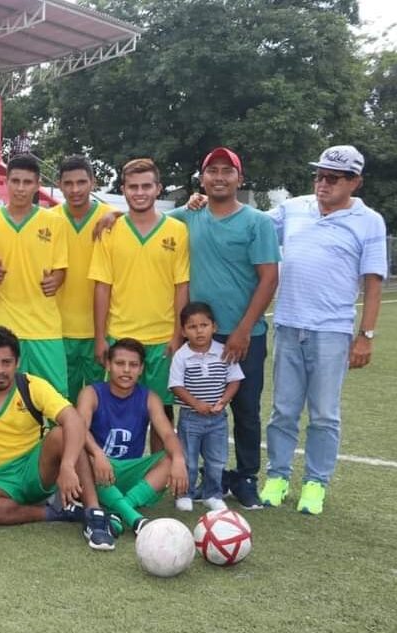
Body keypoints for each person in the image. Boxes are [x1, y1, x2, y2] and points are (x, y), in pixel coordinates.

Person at [259, 145, 387, 516]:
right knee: (282, 410)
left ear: (355, 182)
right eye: (319, 175)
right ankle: (278, 476)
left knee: (324, 414)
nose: (322, 183)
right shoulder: (294, 207)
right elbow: (249, 221)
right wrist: (204, 202)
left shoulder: (370, 221)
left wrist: (366, 336)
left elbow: (374, 282)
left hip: (332, 332)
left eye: (333, 177)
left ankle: (315, 483)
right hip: (287, 325)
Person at [162, 147, 279, 508]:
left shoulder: (257, 222)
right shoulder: (187, 215)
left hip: (243, 334)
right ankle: (197, 479)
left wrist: (244, 329)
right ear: (202, 178)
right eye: (212, 170)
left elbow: (269, 278)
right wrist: (107, 218)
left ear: (239, 179)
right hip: (198, 334)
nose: (219, 177)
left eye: (227, 171)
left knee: (244, 408)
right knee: (196, 410)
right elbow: (146, 218)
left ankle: (244, 477)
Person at [0, 327, 115, 550]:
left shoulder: (32, 386)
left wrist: (68, 465)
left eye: (6, 362)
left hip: (34, 469)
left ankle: (94, 514)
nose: (0, 370)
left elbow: (73, 419)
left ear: (17, 362)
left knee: (62, 433)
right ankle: (56, 513)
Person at [89, 158, 189, 416]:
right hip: (120, 338)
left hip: (162, 341)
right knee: (116, 414)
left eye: (146, 186)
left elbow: (181, 287)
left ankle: (161, 459)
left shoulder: (178, 231)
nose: (140, 193)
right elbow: (102, 287)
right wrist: (100, 337)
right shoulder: (109, 230)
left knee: (161, 415)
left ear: (158, 188)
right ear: (123, 189)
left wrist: (177, 335)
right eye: (133, 187)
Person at [77, 338, 189, 536]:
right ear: (108, 365)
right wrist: (97, 454)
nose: (126, 370)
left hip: (130, 472)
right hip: (97, 470)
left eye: (133, 365)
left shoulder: (149, 397)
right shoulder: (91, 393)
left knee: (171, 458)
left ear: (141, 369)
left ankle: (121, 510)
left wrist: (179, 460)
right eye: (120, 363)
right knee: (81, 453)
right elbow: (79, 429)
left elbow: (167, 435)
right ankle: (134, 518)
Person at [0, 155, 71, 396]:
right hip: (4, 325)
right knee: (5, 397)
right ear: (6, 182)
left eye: (27, 182)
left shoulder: (55, 222)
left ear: (37, 184)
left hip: (44, 326)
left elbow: (61, 269)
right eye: (15, 181)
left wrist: (57, 279)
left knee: (56, 397)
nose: (21, 188)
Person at [49, 156, 115, 402]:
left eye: (81, 182)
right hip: (59, 330)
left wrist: (118, 213)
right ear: (59, 184)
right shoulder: (49, 219)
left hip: (99, 331)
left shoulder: (110, 217)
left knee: (99, 404)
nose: (75, 190)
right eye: (68, 183)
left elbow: (145, 218)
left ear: (93, 183)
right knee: (64, 404)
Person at [168, 302, 243, 512]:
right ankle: (185, 493)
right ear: (183, 331)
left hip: (218, 419)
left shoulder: (223, 351)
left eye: (204, 325)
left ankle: (212, 493)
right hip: (191, 419)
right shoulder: (181, 356)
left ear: (214, 327)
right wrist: (196, 404)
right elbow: (176, 385)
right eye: (192, 327)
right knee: (189, 461)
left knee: (216, 460)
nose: (199, 330)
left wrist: (223, 401)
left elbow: (235, 380)